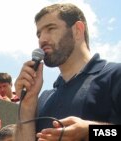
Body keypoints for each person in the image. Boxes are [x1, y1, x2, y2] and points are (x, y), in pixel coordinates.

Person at [14, 3, 121, 141]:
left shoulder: (115, 75)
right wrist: (27, 105)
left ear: (77, 30)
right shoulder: (44, 98)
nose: (42, 40)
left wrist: (90, 132)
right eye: (39, 34)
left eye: (50, 28)